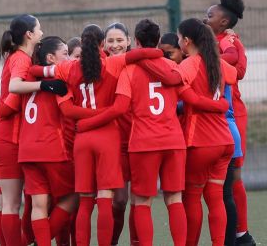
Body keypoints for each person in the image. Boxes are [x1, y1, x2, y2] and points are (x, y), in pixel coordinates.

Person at [75, 19, 231, 246]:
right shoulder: (174, 67)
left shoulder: (128, 70)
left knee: (142, 201)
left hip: (144, 142)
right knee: (175, 199)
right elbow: (185, 95)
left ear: (135, 42)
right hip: (174, 140)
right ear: (158, 41)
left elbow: (121, 107)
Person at [29, 24, 164, 246]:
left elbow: (36, 71)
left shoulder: (69, 69)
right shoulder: (112, 63)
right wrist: (158, 52)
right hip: (107, 136)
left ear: (82, 44)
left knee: (84, 202)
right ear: (102, 45)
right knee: (105, 199)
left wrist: (47, 82)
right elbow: (147, 53)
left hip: (82, 138)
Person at [0, 14, 44, 246]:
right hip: (6, 137)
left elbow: (6, 101)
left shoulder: (15, 57)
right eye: (38, 29)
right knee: (11, 204)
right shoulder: (21, 58)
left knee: (2, 203)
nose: (41, 32)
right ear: (29, 34)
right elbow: (11, 99)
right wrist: (44, 84)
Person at [176, 18, 236, 246]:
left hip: (201, 141)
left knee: (191, 198)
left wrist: (217, 104)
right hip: (224, 141)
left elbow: (189, 98)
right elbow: (236, 73)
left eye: (179, 37)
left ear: (186, 41)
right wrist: (220, 104)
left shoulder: (188, 65)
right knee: (215, 197)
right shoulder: (217, 63)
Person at [204, 0, 255, 245]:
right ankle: (228, 235)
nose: (205, 18)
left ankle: (241, 233)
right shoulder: (205, 42)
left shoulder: (231, 41)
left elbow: (239, 68)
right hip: (210, 115)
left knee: (233, 176)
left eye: (209, 15)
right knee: (216, 182)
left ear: (223, 21)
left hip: (232, 115)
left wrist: (207, 56)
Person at [103, 22, 134, 246]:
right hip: (115, 142)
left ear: (129, 41)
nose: (115, 45)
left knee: (140, 201)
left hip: (142, 139)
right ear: (104, 44)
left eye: (119, 40)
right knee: (120, 200)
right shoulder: (101, 66)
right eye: (111, 41)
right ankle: (112, 241)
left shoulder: (139, 64)